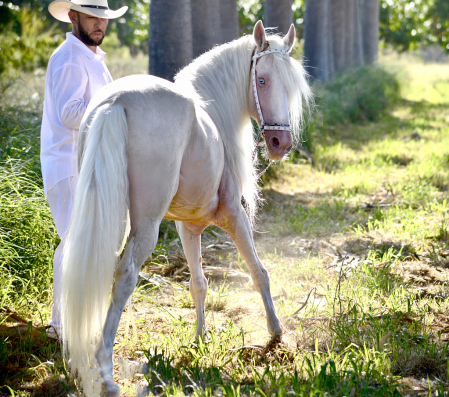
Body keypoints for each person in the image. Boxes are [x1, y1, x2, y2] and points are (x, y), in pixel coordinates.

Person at [41, 0, 127, 338]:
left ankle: (73, 322)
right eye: (92, 17)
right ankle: (60, 326)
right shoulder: (69, 57)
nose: (99, 25)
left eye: (103, 18)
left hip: (85, 162)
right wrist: (116, 105)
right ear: (74, 16)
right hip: (67, 162)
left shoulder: (90, 58)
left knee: (84, 241)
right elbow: (69, 113)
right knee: (76, 241)